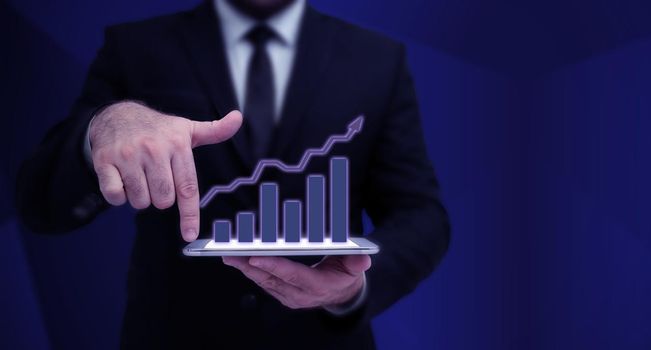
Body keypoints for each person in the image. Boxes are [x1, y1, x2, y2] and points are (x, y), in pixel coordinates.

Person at [15, 0, 450, 348]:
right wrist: (104, 128)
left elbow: (421, 215)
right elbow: (40, 204)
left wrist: (352, 289)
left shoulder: (377, 60)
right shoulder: (135, 47)